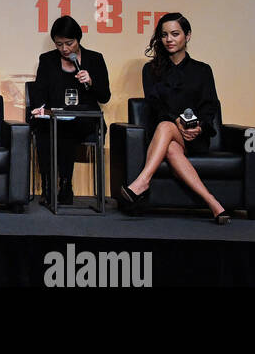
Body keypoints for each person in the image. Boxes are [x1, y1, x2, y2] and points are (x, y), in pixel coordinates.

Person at [119, 13, 231, 225]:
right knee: (167, 136)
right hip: (165, 134)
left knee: (167, 131)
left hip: (195, 136)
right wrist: (176, 121)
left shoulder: (202, 70)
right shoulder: (151, 70)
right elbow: (155, 104)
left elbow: (210, 105)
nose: (169, 39)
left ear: (187, 36)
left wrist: (199, 127)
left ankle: (142, 182)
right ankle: (213, 202)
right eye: (164, 35)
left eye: (175, 34)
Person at [28, 16, 111, 205]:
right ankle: (49, 184)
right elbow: (39, 91)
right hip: (55, 117)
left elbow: (105, 96)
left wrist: (91, 82)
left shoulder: (94, 59)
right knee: (49, 126)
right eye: (59, 44)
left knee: (68, 126)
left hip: (85, 119)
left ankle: (65, 184)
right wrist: (40, 109)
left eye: (69, 43)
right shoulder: (47, 60)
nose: (65, 49)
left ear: (78, 39)